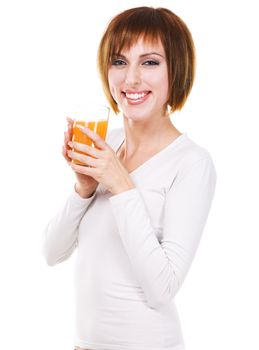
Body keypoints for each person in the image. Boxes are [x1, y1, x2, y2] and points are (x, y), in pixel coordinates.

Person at [43, 6, 217, 350]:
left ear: (176, 69)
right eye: (119, 62)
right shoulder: (107, 142)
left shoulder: (192, 163)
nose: (131, 79)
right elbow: (52, 253)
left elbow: (162, 288)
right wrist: (84, 188)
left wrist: (121, 183)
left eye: (150, 62)